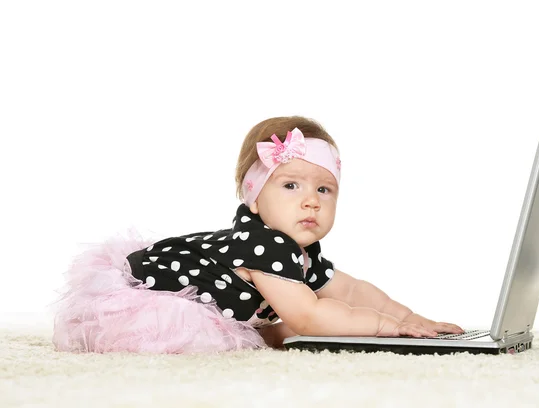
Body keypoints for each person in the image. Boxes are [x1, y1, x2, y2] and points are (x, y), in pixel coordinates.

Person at [52, 116, 463, 354]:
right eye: (290, 186)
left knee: (302, 322)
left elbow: (352, 292)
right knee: (295, 324)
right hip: (146, 296)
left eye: (324, 189)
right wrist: (385, 328)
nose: (311, 202)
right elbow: (308, 314)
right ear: (254, 199)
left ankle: (268, 332)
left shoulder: (299, 250)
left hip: (195, 285)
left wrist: (410, 318)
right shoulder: (262, 242)